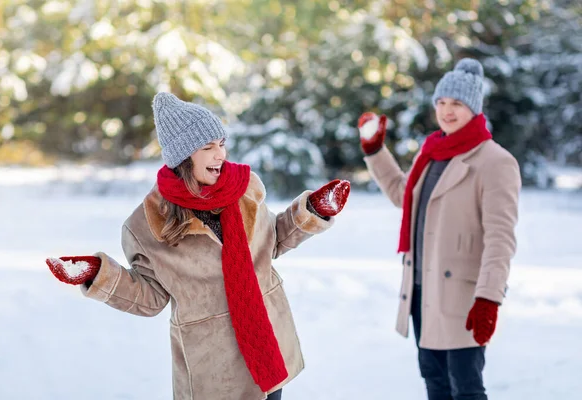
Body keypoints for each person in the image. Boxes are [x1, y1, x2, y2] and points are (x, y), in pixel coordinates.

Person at [46, 92, 351, 400]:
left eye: (221, 143)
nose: (220, 155)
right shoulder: (147, 224)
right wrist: (97, 274)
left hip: (268, 346)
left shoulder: (245, 189)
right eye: (208, 147)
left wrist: (313, 209)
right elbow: (150, 298)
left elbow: (271, 241)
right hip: (213, 368)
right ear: (182, 157)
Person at [357, 59, 521, 400]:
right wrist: (375, 150)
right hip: (422, 290)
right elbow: (405, 197)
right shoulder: (431, 153)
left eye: (457, 104)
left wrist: (488, 298)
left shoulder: (495, 162)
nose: (447, 111)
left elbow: (500, 239)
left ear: (473, 108)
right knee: (434, 381)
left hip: (463, 298)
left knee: (466, 388)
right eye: (441, 103)